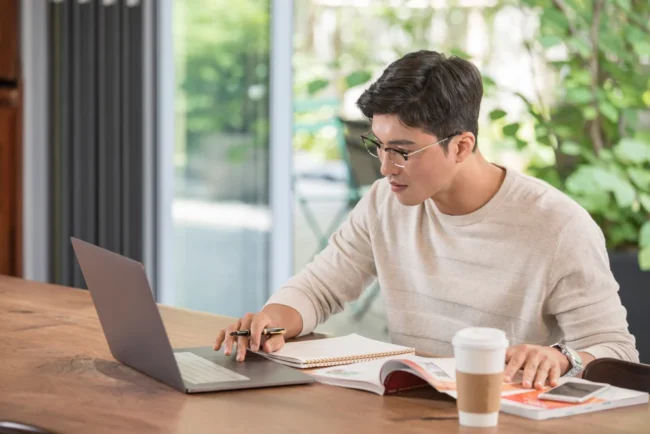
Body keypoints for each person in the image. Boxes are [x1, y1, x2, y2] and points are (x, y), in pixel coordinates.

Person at [214, 50, 639, 390]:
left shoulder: (558, 226)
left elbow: (617, 352)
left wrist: (563, 356)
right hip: (409, 408)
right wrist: (270, 321)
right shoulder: (385, 202)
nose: (385, 167)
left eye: (402, 150)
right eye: (376, 146)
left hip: (504, 416)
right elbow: (320, 289)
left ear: (460, 146)